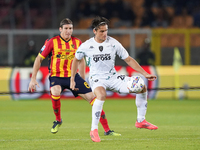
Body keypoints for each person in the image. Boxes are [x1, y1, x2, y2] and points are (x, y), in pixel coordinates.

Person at [70, 16, 158, 143]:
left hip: (113, 77)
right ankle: (94, 130)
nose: (105, 33)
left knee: (141, 85)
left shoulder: (113, 43)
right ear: (94, 31)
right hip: (97, 79)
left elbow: (128, 59)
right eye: (101, 31)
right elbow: (76, 60)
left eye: (106, 30)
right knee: (101, 94)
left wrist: (145, 73)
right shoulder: (86, 45)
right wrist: (73, 78)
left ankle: (141, 120)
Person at [28, 18, 121, 136]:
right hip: (57, 76)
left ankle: (107, 130)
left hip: (73, 76)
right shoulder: (52, 42)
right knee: (55, 91)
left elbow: (81, 60)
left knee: (94, 99)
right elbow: (39, 58)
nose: (68, 31)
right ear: (60, 29)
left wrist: (82, 78)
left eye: (70, 28)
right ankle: (58, 120)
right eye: (66, 28)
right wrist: (33, 78)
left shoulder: (77, 42)